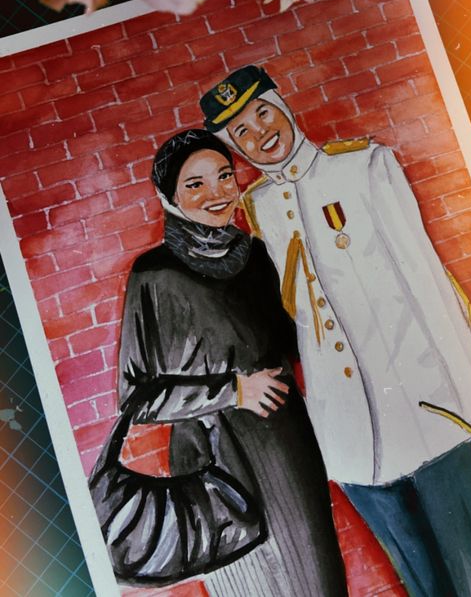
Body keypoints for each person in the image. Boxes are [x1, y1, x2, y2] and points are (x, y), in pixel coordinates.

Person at [200, 64, 471, 597]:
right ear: (234, 148)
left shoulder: (364, 166)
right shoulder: (258, 207)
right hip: (350, 437)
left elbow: (427, 281)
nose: (260, 133)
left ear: (282, 104)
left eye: (263, 113)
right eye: (241, 131)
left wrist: (470, 399)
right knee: (423, 585)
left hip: (429, 409)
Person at [89, 128, 348, 596]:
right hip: (213, 467)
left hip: (286, 452)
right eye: (196, 184)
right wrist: (234, 390)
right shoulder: (154, 275)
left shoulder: (258, 256)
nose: (217, 192)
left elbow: (293, 347)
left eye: (225, 176)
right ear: (169, 197)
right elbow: (137, 399)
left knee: (318, 582)